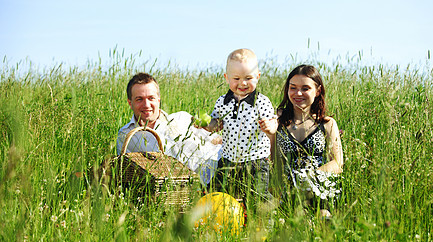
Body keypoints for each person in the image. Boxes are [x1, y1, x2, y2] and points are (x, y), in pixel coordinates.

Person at [196, 48, 277, 201]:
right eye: (236, 78)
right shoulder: (222, 101)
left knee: (258, 196)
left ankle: (267, 220)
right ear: (227, 78)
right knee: (216, 192)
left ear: (257, 77)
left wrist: (270, 127)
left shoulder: (261, 101)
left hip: (255, 162)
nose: (243, 83)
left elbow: (273, 123)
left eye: (248, 78)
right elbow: (217, 123)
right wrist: (206, 125)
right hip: (228, 159)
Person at [116, 73, 221, 184]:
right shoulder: (126, 135)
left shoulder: (182, 118)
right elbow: (127, 173)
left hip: (218, 175)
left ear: (158, 100)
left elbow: (217, 141)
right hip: (178, 191)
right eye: (139, 99)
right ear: (130, 103)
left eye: (151, 98)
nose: (146, 105)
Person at [274, 65, 343, 217]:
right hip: (287, 188)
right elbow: (273, 159)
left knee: (323, 214)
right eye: (293, 88)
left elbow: (337, 163)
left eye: (305, 88)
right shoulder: (277, 121)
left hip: (319, 184)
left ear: (317, 91)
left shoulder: (327, 123)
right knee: (300, 215)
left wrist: (311, 176)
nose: (298, 93)